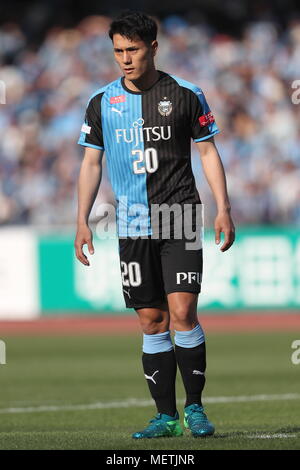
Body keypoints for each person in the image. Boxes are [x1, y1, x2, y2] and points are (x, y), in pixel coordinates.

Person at [75, 10, 235, 439]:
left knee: (182, 311)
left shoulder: (185, 94)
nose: (125, 59)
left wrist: (223, 207)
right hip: (130, 223)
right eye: (118, 51)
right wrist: (82, 221)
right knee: (150, 320)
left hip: (179, 215)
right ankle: (164, 416)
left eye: (133, 49)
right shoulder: (101, 102)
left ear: (153, 48)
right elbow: (91, 163)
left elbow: (207, 152)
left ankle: (195, 409)